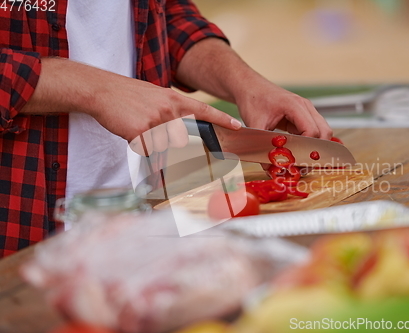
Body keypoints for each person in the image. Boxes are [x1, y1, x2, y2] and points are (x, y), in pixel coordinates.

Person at [0, 0, 332, 257]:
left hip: (148, 226)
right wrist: (95, 90)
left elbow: (166, 15)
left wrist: (244, 83)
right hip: (20, 240)